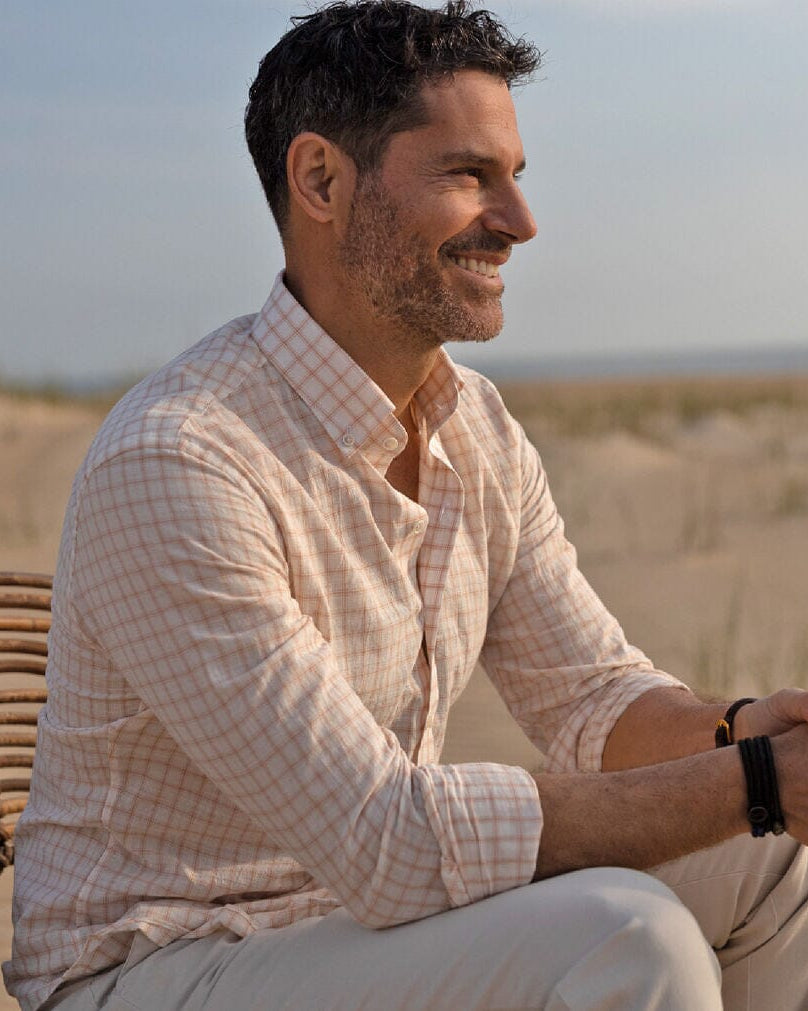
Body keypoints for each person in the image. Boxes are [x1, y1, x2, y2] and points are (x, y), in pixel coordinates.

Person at [6, 2, 808, 1008]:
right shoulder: (179, 459)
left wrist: (748, 735)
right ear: (322, 181)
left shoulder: (476, 430)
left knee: (769, 862)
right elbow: (385, 840)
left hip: (366, 930)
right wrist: (757, 784)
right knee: (621, 938)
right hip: (151, 967)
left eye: (515, 176)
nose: (518, 222)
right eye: (470, 175)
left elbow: (589, 698)